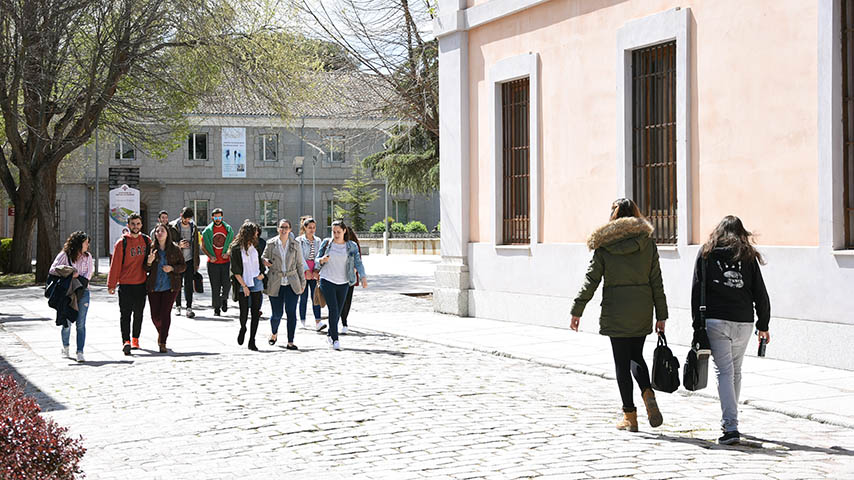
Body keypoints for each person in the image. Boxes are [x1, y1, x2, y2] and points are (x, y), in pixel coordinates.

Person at [569, 198, 668, 432]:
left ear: (613, 217)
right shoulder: (647, 243)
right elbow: (657, 281)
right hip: (642, 308)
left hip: (616, 310)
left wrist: (577, 309)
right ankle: (647, 392)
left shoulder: (605, 245)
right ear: (635, 214)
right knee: (636, 356)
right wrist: (661, 315)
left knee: (621, 363)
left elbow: (591, 280)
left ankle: (630, 417)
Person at [692, 215, 771, 446]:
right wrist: (763, 324)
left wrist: (697, 326)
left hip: (716, 321)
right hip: (743, 321)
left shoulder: (706, 253)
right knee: (735, 371)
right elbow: (761, 292)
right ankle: (731, 421)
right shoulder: (747, 255)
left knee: (725, 372)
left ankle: (730, 426)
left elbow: (697, 290)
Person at [317, 220, 367, 350]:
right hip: (327, 280)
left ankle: (330, 333)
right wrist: (321, 260)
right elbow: (317, 259)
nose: (336, 234)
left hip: (344, 282)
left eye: (338, 232)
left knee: (338, 311)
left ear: (344, 231)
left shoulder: (351, 246)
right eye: (334, 232)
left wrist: (363, 277)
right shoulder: (327, 243)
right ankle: (335, 339)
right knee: (333, 309)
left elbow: (358, 262)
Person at [107, 213, 151, 355]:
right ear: (128, 225)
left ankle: (135, 339)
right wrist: (111, 284)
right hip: (125, 284)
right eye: (133, 224)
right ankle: (126, 341)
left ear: (141, 225)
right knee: (125, 314)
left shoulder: (147, 240)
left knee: (139, 313)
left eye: (138, 224)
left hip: (141, 283)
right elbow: (115, 265)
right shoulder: (122, 243)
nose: (135, 226)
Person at [262, 219, 307, 350]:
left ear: (290, 229)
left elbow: (300, 264)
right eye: (281, 227)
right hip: (275, 281)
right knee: (277, 313)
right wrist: (265, 261)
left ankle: (290, 341)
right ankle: (274, 333)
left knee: (291, 312)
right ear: (278, 229)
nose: (284, 230)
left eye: (286, 227)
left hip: (292, 282)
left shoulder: (295, 244)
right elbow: (262, 257)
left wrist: (303, 282)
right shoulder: (271, 244)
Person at [49, 231, 94, 362]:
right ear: (79, 243)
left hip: (83, 292)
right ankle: (65, 347)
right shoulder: (64, 255)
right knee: (67, 322)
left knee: (81, 324)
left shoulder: (88, 257)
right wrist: (68, 273)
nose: (87, 245)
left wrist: (77, 276)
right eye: (86, 243)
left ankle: (80, 352)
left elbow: (88, 275)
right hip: (67, 293)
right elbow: (52, 270)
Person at [143, 224, 187, 353]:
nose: (160, 233)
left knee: (165, 314)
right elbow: (145, 268)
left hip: (170, 286)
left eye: (162, 231)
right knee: (155, 316)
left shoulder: (175, 249)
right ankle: (161, 332)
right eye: (157, 231)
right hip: (154, 286)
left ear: (167, 233)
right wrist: (149, 261)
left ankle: (163, 342)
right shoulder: (151, 248)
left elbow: (183, 266)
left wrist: (172, 268)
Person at [229, 222, 266, 351]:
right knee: (243, 312)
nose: (257, 234)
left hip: (256, 281)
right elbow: (235, 270)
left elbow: (260, 262)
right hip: (242, 282)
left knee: (255, 312)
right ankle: (243, 328)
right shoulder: (236, 248)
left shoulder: (256, 246)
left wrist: (262, 274)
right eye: (255, 232)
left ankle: (252, 340)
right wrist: (244, 286)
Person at [201, 208, 233, 316]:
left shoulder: (228, 229)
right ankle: (216, 308)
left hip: (225, 262)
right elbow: (203, 246)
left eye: (219, 217)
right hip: (213, 263)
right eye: (216, 217)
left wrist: (228, 253)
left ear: (222, 217)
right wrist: (210, 256)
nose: (218, 219)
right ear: (212, 218)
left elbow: (232, 244)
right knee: (215, 286)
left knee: (227, 284)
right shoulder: (208, 231)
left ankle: (224, 298)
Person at [170, 207, 200, 318]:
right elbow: (169, 242)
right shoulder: (173, 226)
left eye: (189, 219)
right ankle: (178, 305)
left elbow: (196, 244)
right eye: (185, 218)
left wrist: (197, 261)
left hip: (190, 259)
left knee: (189, 284)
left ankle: (189, 307)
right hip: (178, 260)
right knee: (178, 284)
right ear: (181, 215)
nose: (187, 221)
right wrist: (179, 244)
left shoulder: (193, 227)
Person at [296, 216, 325, 331]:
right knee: (303, 297)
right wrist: (306, 270)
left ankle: (318, 321)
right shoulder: (299, 240)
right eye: (309, 227)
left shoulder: (318, 240)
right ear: (305, 228)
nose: (312, 230)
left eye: (313, 227)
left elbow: (319, 255)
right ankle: (302, 321)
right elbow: (299, 257)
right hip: (304, 270)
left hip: (315, 271)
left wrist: (317, 270)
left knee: (315, 296)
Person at [339, 226, 363, 334]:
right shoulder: (337, 244)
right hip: (338, 276)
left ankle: (344, 322)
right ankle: (342, 321)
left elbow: (358, 260)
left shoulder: (354, 245)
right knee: (342, 300)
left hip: (350, 277)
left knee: (347, 300)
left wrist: (355, 270)